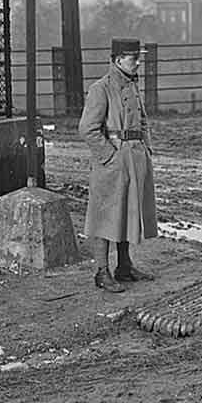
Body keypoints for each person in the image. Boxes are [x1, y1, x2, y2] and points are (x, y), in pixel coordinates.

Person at [78, 37, 158, 293]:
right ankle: (102, 272)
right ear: (117, 60)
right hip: (113, 161)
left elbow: (143, 121)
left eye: (138, 57)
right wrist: (110, 157)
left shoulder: (133, 86)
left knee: (128, 212)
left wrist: (146, 148)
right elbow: (87, 129)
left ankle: (124, 266)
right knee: (106, 215)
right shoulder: (101, 88)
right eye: (134, 58)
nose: (138, 62)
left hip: (135, 158)